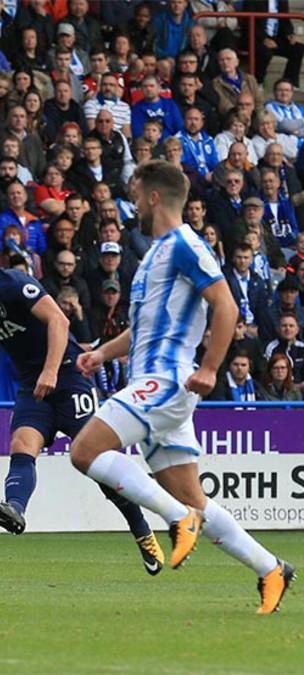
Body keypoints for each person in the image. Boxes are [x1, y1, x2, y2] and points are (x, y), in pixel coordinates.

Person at [70, 160, 293, 614]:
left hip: (166, 381)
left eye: (135, 193)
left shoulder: (186, 245)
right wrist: (101, 353)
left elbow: (226, 305)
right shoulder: (154, 253)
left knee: (85, 452)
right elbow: (143, 329)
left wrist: (211, 368)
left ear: (153, 196)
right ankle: (272, 568)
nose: (130, 202)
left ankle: (176, 520)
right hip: (153, 383)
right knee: (195, 499)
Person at [0, 225, 160, 573]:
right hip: (33, 387)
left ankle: (142, 531)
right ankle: (15, 510)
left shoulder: (12, 284)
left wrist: (51, 370)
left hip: (67, 379)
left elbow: (58, 319)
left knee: (97, 464)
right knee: (22, 444)